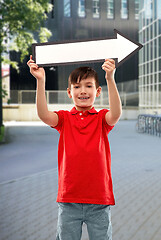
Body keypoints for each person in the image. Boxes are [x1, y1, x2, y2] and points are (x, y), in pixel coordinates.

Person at [27, 56, 121, 240]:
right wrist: (40, 81)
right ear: (69, 92)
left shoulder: (102, 119)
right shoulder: (64, 119)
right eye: (77, 87)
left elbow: (116, 113)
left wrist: (110, 77)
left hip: (99, 200)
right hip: (69, 199)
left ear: (98, 91)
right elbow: (44, 114)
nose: (83, 91)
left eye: (88, 86)